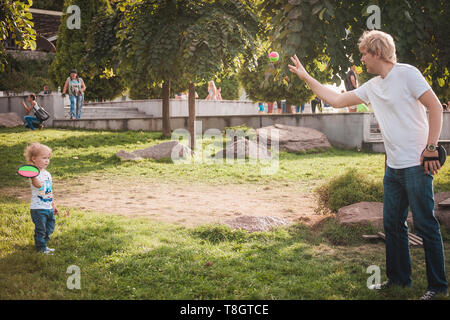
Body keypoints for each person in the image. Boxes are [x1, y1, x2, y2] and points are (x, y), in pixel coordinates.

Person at [288, 29, 447, 300]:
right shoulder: (373, 87)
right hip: (393, 168)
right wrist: (306, 77)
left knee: (425, 224)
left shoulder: (408, 74)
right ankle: (400, 280)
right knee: (393, 225)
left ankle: (437, 287)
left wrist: (431, 148)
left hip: (417, 165)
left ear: (377, 52)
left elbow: (435, 107)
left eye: (364, 53)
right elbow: (337, 100)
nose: (361, 59)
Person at [24, 142, 59, 254]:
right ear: (34, 159)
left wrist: (53, 205)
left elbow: (49, 190)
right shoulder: (33, 173)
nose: (47, 160)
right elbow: (38, 185)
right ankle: (41, 248)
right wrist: (33, 176)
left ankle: (43, 244)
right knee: (41, 229)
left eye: (48, 158)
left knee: (50, 227)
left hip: (48, 206)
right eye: (44, 158)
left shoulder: (47, 174)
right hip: (38, 208)